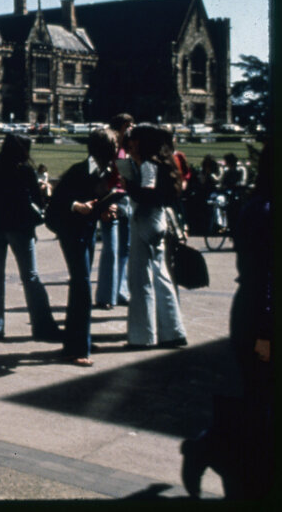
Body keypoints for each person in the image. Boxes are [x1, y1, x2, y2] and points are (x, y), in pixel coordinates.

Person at [180, 140, 272, 499]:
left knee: (260, 400)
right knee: (260, 400)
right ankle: (209, 449)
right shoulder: (264, 210)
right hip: (262, 316)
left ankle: (213, 451)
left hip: (254, 310)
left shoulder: (256, 205)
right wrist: (266, 331)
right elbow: (265, 274)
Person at [0, 133, 61, 342]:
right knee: (30, 276)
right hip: (20, 226)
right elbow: (38, 200)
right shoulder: (24, 170)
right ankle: (42, 326)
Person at [47, 128, 119, 366]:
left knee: (81, 285)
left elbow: (97, 199)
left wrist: (106, 210)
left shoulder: (103, 171)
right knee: (82, 286)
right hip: (70, 231)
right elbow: (57, 203)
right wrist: (77, 206)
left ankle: (79, 340)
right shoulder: (79, 171)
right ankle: (76, 348)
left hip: (84, 231)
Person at [123, 123, 188, 348]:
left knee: (141, 279)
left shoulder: (148, 165)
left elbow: (146, 194)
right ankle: (172, 331)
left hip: (146, 219)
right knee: (161, 276)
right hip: (157, 219)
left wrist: (129, 185)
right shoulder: (160, 162)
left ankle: (143, 336)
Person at [95, 113, 134, 310]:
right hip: (110, 198)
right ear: (122, 126)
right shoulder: (109, 146)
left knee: (124, 247)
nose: (132, 128)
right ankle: (105, 295)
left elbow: (126, 175)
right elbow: (99, 176)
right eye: (129, 125)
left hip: (124, 198)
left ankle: (120, 291)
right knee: (111, 248)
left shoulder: (126, 148)